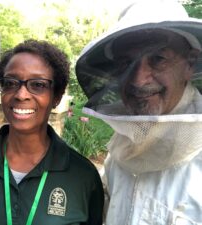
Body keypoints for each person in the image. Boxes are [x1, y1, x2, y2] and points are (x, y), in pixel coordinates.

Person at [76, 0, 202, 224]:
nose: (137, 79)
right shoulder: (121, 149)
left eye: (157, 59)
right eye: (126, 64)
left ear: (189, 64)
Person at [0, 39, 104, 225]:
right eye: (10, 82)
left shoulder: (83, 176)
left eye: (38, 85)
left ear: (57, 96)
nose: (21, 94)